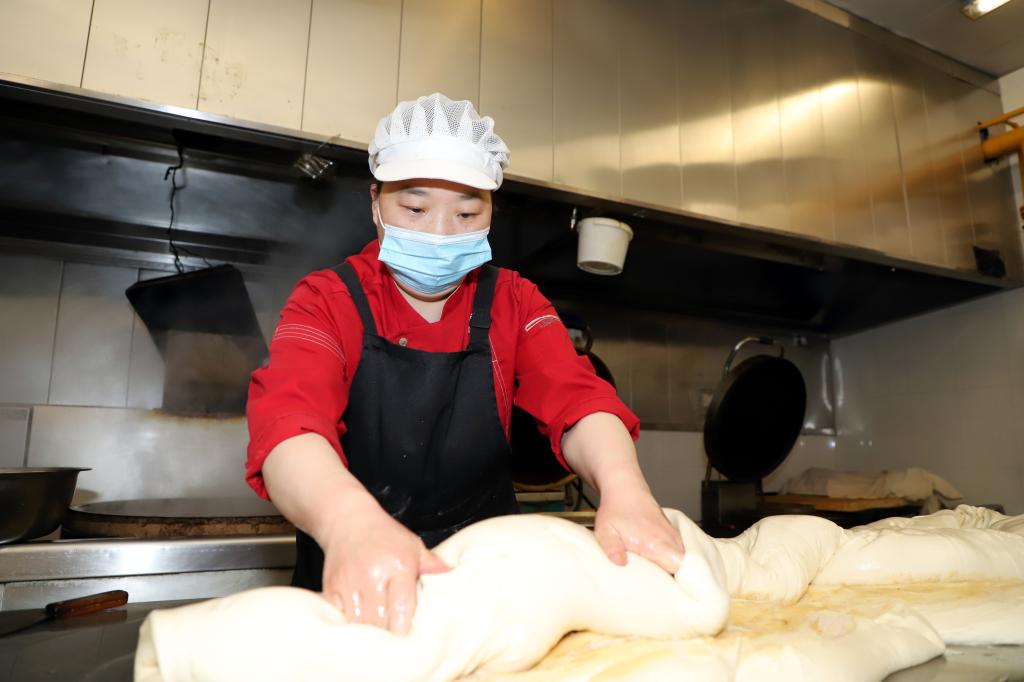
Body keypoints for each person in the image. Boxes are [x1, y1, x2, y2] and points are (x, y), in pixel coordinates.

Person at [245, 93, 685, 637]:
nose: (439, 233)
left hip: (489, 592)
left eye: (466, 213)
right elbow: (289, 427)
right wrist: (350, 524)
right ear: (375, 202)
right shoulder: (327, 300)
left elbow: (577, 399)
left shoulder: (514, 301)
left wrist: (624, 488)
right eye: (415, 209)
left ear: (492, 213)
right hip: (353, 592)